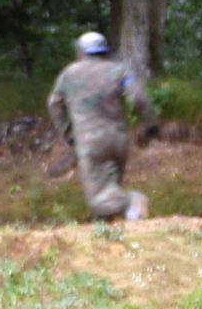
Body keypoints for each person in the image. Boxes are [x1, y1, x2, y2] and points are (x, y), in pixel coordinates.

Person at [47, 32, 159, 221]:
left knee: (100, 199)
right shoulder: (119, 70)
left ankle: (130, 202)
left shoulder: (70, 74)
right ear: (104, 51)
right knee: (108, 192)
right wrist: (149, 125)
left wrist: (69, 134)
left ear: (81, 51)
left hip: (91, 143)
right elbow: (139, 97)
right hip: (118, 141)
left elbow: (54, 104)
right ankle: (103, 230)